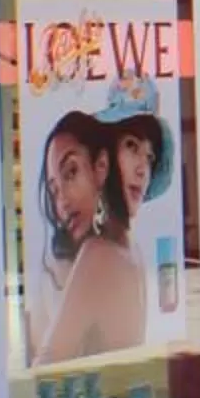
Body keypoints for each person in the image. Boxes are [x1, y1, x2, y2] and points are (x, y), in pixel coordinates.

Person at [32, 110, 142, 364]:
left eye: (70, 173)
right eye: (54, 189)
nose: (62, 201)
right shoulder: (130, 247)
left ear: (101, 167)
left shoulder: (98, 254)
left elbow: (44, 370)